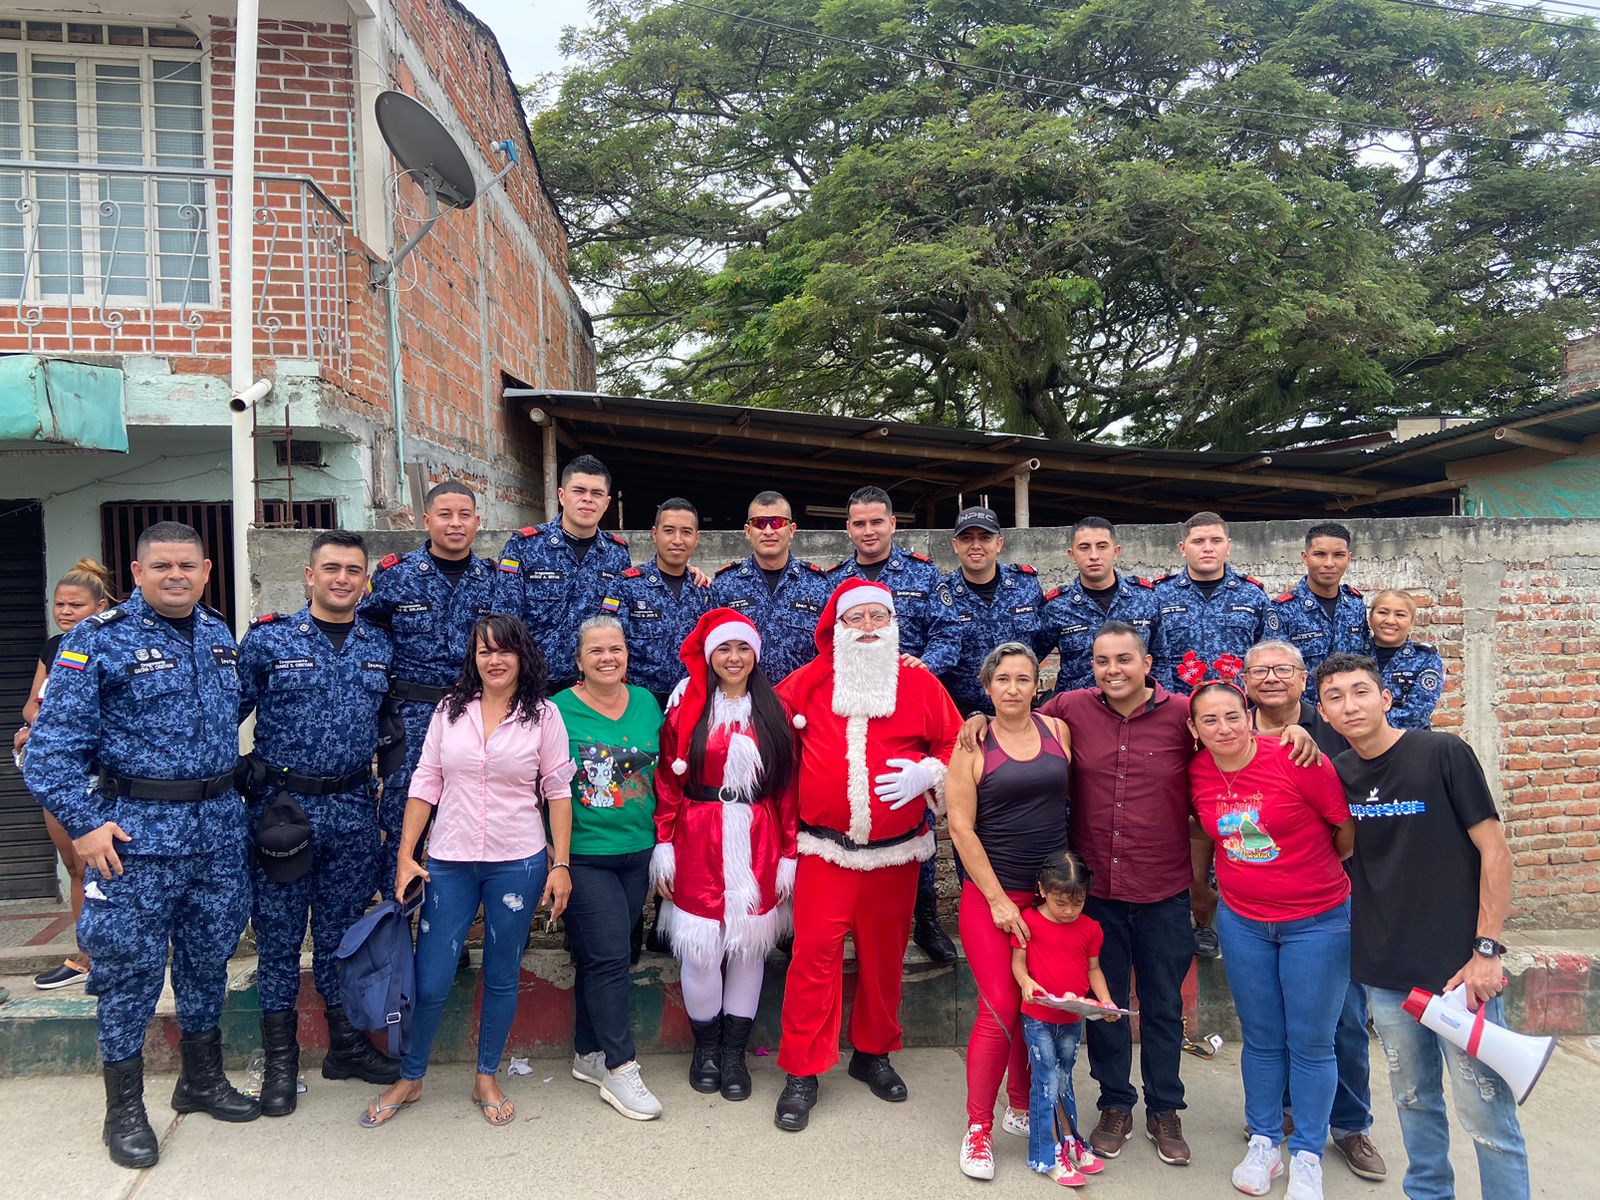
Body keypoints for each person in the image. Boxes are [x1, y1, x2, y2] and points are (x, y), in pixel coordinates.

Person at [956, 622, 1322, 1169]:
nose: (1113, 670)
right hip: (1092, 892)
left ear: (1147, 664)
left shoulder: (1181, 714)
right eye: (1102, 661)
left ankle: (1165, 1111)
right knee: (1103, 1006)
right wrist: (979, 715)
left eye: (1124, 659)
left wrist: (1291, 731)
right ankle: (1113, 1106)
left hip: (1162, 886)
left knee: (1163, 1005)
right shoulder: (1071, 711)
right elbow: (1012, 708)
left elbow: (1232, 738)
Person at [24, 521, 259, 1169]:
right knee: (128, 975)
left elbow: (218, 720)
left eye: (188, 565)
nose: (175, 575)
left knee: (207, 961)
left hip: (216, 834)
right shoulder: (93, 643)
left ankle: (201, 1080)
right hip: (133, 840)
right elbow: (45, 753)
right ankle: (123, 1111)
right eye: (162, 566)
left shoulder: (217, 635)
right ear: (136, 573)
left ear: (207, 571)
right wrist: (84, 822)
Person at [1316, 652, 1529, 1200]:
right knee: (1413, 1103)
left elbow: (1495, 852)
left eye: (1361, 691)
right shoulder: (1335, 775)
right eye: (1335, 697)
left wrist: (1486, 949)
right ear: (1324, 712)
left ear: (1385, 698)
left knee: (1487, 1115)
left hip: (1460, 969)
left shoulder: (1442, 752)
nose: (1350, 704)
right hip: (1386, 973)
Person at [363, 615, 575, 1129]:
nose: (495, 660)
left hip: (517, 861)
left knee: (501, 974)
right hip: (450, 861)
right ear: (473, 659)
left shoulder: (543, 715)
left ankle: (486, 1074)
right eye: (484, 652)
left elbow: (558, 790)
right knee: (432, 976)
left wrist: (561, 863)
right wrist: (405, 853)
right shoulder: (449, 710)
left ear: (522, 656)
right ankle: (412, 1077)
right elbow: (426, 780)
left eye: (504, 651)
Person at [771, 579, 961, 1132]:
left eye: (880, 615)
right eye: (859, 618)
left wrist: (931, 772)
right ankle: (803, 1069)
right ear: (837, 627)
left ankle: (872, 1053)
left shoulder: (920, 682)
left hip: (897, 856)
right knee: (813, 960)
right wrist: (700, 692)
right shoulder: (807, 682)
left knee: (884, 960)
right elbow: (761, 721)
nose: (871, 626)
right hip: (823, 851)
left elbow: (952, 741)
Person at [236, 530, 402, 1117]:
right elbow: (219, 715)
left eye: (353, 571)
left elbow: (390, 725)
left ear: (364, 580)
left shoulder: (379, 644)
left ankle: (346, 1047)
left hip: (355, 811)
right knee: (280, 942)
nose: (341, 579)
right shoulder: (268, 641)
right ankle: (281, 1063)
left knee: (339, 937)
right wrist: (237, 773)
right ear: (309, 576)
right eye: (330, 568)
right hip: (286, 812)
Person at [1187, 680, 1355, 1200]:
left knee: (1310, 1041)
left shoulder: (1296, 757)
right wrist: (1203, 892)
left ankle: (1307, 1154)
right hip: (1243, 921)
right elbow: (1203, 834)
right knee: (1261, 1038)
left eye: (1233, 716)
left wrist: (1304, 879)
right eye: (1209, 720)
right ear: (1194, 729)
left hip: (1317, 920)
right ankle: (1264, 1141)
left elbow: (1344, 831)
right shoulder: (1197, 772)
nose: (1223, 728)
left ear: (1250, 714)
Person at [1229, 641, 1385, 1181]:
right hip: (1254, 908)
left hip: (1328, 900)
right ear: (1245, 681)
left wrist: (1330, 868)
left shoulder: (1335, 727)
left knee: (1340, 1021)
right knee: (1270, 1027)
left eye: (1284, 671)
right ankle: (1277, 1123)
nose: (1271, 679)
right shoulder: (1228, 728)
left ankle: (1349, 1126)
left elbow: (1350, 826)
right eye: (1259, 671)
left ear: (1303, 681)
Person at [653, 608, 798, 1101]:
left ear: (755, 655)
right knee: (701, 951)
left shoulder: (773, 712)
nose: (733, 658)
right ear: (710, 655)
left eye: (742, 649)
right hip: (699, 836)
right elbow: (668, 784)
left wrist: (788, 853)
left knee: (747, 949)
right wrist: (664, 845)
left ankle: (735, 1054)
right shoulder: (687, 708)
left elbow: (786, 790)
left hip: (758, 837)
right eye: (724, 649)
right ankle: (707, 1049)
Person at [946, 642, 1071, 1181]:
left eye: (1024, 679)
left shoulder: (1058, 732)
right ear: (988, 686)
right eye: (1004, 680)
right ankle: (978, 1127)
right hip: (993, 896)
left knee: (1037, 1004)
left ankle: (1023, 1105)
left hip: (1050, 901)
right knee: (998, 1006)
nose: (1015, 688)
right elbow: (959, 828)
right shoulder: (972, 744)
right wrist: (997, 900)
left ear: (1036, 685)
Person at [827, 485, 956, 965]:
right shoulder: (832, 580)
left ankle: (924, 917)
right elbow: (824, 640)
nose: (868, 531)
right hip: (847, 709)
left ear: (892, 524)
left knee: (911, 809)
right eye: (859, 523)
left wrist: (918, 668)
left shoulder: (923, 576)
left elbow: (949, 632)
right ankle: (845, 918)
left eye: (876, 521)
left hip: (909, 706)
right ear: (848, 528)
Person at [552, 615, 665, 1121]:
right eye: (595, 651)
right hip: (585, 854)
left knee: (607, 955)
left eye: (615, 649)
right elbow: (545, 788)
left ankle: (588, 1053)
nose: (607, 658)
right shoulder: (557, 710)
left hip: (637, 851)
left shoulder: (645, 702)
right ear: (579, 661)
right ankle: (621, 1070)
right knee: (609, 957)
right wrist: (556, 860)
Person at [359, 480, 496, 896]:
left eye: (464, 515)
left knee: (471, 820)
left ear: (477, 522)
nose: (455, 524)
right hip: (411, 718)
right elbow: (368, 633)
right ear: (427, 521)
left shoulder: (496, 580)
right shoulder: (395, 576)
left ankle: (448, 936)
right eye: (444, 515)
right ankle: (396, 932)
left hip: (475, 715)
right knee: (405, 823)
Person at [14, 557, 116, 991]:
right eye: (60, 604)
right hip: (64, 773)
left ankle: (118, 955)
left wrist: (56, 722)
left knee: (108, 867)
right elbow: (32, 705)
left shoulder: (113, 644)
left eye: (75, 604)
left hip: (106, 775)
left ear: (100, 606)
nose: (65, 612)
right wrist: (37, 726)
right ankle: (86, 954)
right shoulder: (55, 648)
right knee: (74, 865)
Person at [1012, 852, 1119, 1188]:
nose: (1070, 911)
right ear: (1042, 889)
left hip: (1072, 1018)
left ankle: (1070, 1140)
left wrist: (1105, 1001)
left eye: (1078, 902)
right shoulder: (1027, 921)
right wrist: (1026, 982)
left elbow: (1093, 969)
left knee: (1064, 1078)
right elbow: (1018, 963)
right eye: (1061, 903)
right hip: (1038, 1017)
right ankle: (1046, 1154)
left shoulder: (1090, 929)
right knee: (1045, 1082)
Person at [494, 454, 632, 692]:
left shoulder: (617, 555)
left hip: (589, 689)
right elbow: (505, 620)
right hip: (531, 687)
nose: (587, 499)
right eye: (579, 491)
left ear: (607, 502)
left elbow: (617, 622)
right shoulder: (524, 546)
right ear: (561, 495)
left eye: (596, 493)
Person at [923, 506, 1049, 717]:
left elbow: (1042, 639)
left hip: (1018, 711)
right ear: (955, 545)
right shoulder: (941, 592)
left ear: (999, 544)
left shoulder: (1026, 585)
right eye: (966, 538)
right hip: (961, 714)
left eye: (984, 537)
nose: (975, 546)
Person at [710, 490, 830, 683]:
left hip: (800, 704)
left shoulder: (819, 585)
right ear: (748, 531)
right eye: (759, 523)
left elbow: (829, 652)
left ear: (791, 530)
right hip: (743, 703)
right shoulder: (724, 585)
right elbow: (710, 648)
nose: (768, 531)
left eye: (777, 523)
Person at [606, 497, 711, 709]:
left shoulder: (705, 591)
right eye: (669, 530)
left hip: (691, 701)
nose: (677, 540)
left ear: (697, 538)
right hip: (638, 702)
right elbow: (609, 642)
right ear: (655, 534)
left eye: (686, 532)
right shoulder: (627, 585)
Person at [1149, 512, 1270, 694]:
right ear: (1182, 549)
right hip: (1176, 707)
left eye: (1216, 541)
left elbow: (1267, 655)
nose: (1208, 548)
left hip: (1236, 707)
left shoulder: (1253, 595)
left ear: (1228, 546)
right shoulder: (1159, 595)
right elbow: (1149, 656)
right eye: (1198, 542)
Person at [1040, 517, 1158, 694]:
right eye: (1084, 548)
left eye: (1102, 546)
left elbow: (1162, 658)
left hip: (1135, 708)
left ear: (1116, 551)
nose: (1094, 555)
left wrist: (1161, 704)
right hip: (1078, 712)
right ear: (1072, 555)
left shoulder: (1145, 598)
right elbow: (1030, 658)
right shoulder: (1057, 606)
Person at [1266, 523, 1371, 672]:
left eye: (1338, 555)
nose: (1329, 563)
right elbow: (1276, 669)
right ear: (1305, 558)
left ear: (1348, 559)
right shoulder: (1282, 610)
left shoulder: (1355, 605)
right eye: (1320, 554)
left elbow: (1365, 660)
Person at [1367, 590, 1444, 730]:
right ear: (1370, 618)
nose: (1390, 621)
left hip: (1409, 743)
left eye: (1400, 615)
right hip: (1355, 743)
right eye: (1383, 612)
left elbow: (1418, 712)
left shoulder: (1425, 657)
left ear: (1411, 622)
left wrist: (1369, 728)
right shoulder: (1353, 653)